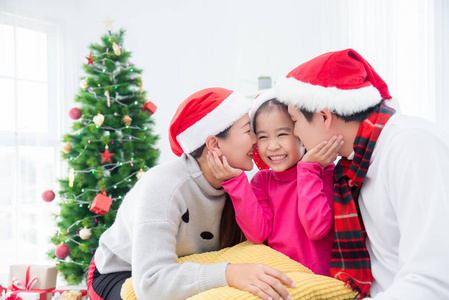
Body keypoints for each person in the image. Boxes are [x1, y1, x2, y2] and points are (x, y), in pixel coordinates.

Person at [87, 87, 295, 300]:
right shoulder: (162, 186)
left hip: (184, 266)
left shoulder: (236, 182)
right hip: (120, 272)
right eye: (247, 131)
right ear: (214, 144)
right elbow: (150, 283)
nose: (256, 139)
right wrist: (229, 273)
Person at [275, 48, 449, 299]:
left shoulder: (412, 146)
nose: (295, 133)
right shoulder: (352, 166)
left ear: (324, 116)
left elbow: (434, 280)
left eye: (295, 121)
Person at [207, 89, 344, 276]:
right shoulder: (262, 181)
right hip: (281, 280)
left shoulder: (324, 172)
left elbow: (317, 229)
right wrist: (235, 182)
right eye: (263, 137)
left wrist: (308, 170)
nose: (272, 146)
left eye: (282, 134)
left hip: (319, 284)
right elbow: (257, 234)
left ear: (300, 134)